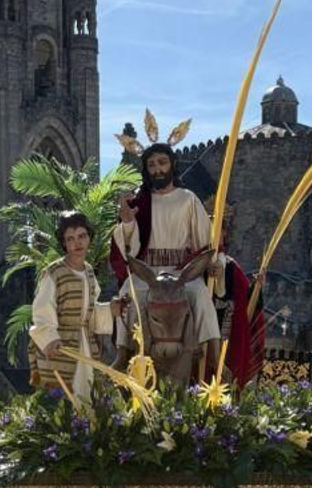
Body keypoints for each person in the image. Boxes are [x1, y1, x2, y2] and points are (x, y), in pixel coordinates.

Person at [109, 141, 221, 380]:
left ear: (172, 164)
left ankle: (213, 354)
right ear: (146, 170)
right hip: (148, 274)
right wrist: (128, 221)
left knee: (200, 295)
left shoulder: (188, 199)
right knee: (127, 293)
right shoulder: (141, 201)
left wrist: (214, 262)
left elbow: (206, 240)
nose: (157, 169)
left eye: (162, 163)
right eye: (151, 165)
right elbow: (128, 246)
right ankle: (122, 352)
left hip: (181, 274)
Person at [30, 210, 112, 399]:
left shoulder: (90, 272)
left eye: (82, 236)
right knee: (63, 403)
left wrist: (111, 309)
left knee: (88, 398)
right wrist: (50, 338)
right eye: (71, 239)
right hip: (61, 348)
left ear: (89, 238)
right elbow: (42, 311)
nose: (78, 243)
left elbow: (88, 313)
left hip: (85, 346)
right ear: (64, 243)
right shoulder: (54, 273)